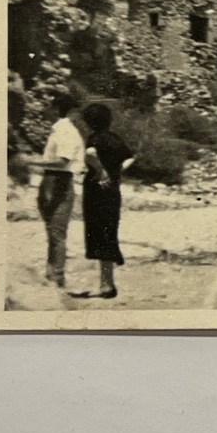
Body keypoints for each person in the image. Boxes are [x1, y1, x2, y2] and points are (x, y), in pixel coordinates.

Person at [75, 103, 134, 299]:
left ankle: (106, 285)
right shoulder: (115, 138)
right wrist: (116, 173)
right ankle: (107, 283)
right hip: (112, 191)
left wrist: (101, 171)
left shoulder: (95, 138)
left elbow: (90, 154)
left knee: (98, 234)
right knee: (109, 232)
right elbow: (129, 158)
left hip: (96, 190)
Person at [28, 92, 85, 288]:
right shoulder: (58, 130)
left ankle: (57, 277)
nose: (45, 110)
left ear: (56, 109)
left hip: (59, 181)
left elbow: (62, 162)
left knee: (57, 232)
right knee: (52, 231)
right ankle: (51, 275)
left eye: (49, 106)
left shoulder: (66, 131)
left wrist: (31, 162)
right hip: (51, 180)